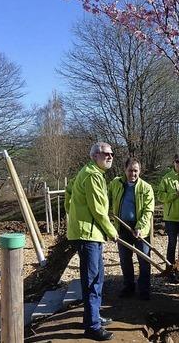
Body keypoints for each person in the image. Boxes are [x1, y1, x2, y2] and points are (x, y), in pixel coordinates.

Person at [65, 142, 117, 341]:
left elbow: (69, 191)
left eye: (112, 153)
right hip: (88, 235)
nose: (110, 156)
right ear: (95, 156)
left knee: (97, 278)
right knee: (92, 280)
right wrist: (112, 231)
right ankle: (92, 327)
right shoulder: (92, 175)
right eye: (106, 154)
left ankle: (93, 317)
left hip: (90, 233)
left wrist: (72, 212)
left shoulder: (88, 172)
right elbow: (98, 210)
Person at [108, 158, 154, 301]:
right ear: (125, 169)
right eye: (130, 170)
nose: (133, 174)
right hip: (122, 227)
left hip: (141, 228)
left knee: (144, 260)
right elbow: (107, 198)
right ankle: (128, 286)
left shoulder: (146, 187)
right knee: (125, 259)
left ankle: (144, 289)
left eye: (135, 171)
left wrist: (139, 226)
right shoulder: (116, 184)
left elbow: (148, 210)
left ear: (139, 171)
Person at [158, 153, 179, 279]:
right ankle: (169, 270)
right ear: (173, 162)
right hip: (171, 218)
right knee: (171, 244)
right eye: (177, 162)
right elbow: (160, 196)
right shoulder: (166, 178)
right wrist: (174, 195)